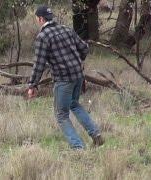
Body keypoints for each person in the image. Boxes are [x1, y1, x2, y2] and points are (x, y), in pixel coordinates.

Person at [27, 5, 104, 149]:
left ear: (41, 19)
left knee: (61, 115)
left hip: (64, 79)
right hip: (78, 75)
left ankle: (78, 147)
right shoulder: (66, 29)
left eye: (37, 18)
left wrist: (32, 85)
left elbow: (39, 64)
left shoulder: (43, 36)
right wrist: (75, 61)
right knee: (74, 104)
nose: (37, 20)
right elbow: (84, 48)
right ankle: (96, 134)